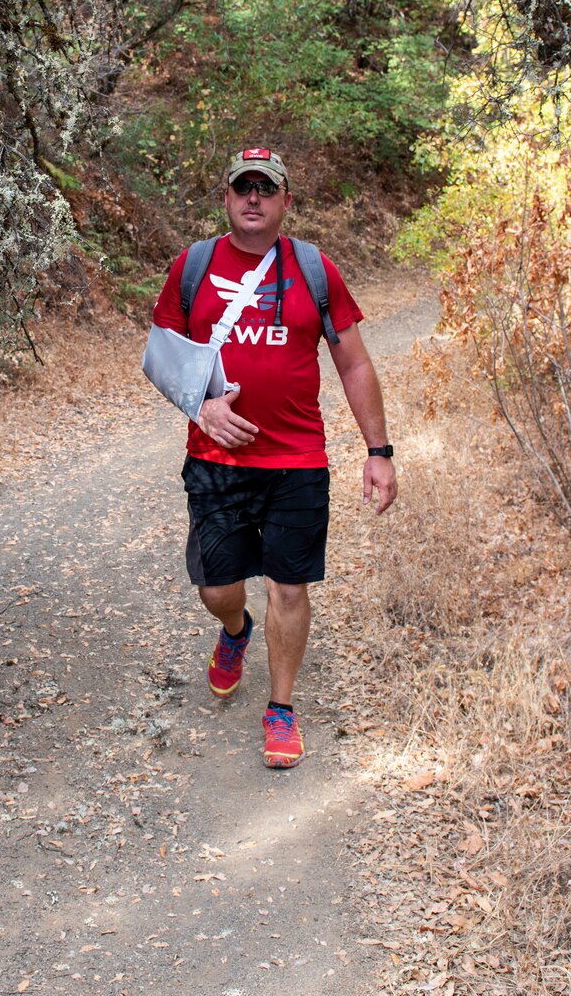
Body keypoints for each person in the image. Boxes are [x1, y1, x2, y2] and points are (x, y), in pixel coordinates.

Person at [150, 147, 397, 769]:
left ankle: (281, 709)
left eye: (266, 188)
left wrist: (379, 450)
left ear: (287, 201)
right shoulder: (192, 267)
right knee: (217, 587)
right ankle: (235, 631)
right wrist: (199, 409)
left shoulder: (314, 270)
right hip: (215, 460)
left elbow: (355, 362)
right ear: (227, 198)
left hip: (297, 460)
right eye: (243, 187)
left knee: (290, 587)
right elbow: (161, 357)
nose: (253, 198)